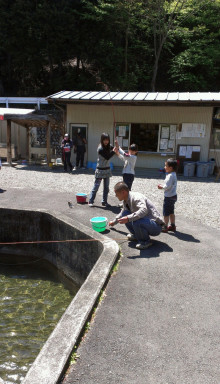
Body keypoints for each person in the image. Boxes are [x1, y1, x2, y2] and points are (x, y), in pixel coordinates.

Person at [109, 181, 163, 250]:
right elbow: (122, 213)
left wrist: (128, 218)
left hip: (156, 226)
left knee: (135, 219)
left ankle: (145, 242)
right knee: (125, 214)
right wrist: (114, 222)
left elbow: (144, 210)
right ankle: (136, 235)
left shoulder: (136, 197)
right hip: (146, 222)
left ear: (123, 192)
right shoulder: (126, 200)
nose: (115, 196)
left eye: (116, 194)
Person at [88, 133, 115, 207]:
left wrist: (116, 146)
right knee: (96, 186)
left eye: (107, 140)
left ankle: (104, 201)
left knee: (106, 187)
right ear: (102, 140)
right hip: (100, 170)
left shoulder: (109, 146)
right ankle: (91, 200)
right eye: (104, 140)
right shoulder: (100, 149)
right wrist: (114, 151)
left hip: (107, 170)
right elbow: (107, 157)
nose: (106, 141)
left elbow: (113, 148)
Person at [158, 158, 178, 232]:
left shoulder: (170, 176)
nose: (164, 167)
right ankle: (173, 225)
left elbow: (167, 186)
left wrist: (161, 187)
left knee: (166, 212)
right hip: (173, 195)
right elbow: (170, 184)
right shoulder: (173, 174)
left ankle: (165, 226)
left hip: (168, 197)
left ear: (170, 168)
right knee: (171, 212)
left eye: (166, 166)